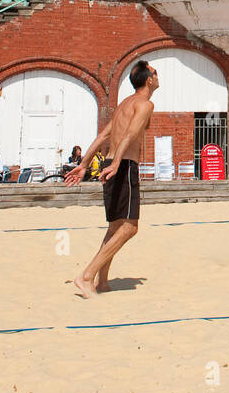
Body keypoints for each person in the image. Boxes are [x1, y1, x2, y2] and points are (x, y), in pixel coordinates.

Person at [64, 60, 159, 298]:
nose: (158, 77)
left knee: (115, 226)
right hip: (122, 166)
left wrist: (84, 164)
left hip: (110, 164)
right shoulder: (145, 104)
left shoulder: (124, 104)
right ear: (149, 80)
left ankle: (102, 281)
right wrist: (117, 162)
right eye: (156, 73)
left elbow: (104, 135)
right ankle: (86, 276)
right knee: (129, 228)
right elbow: (130, 134)